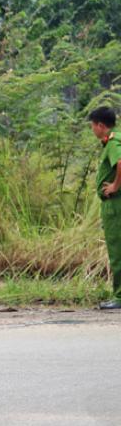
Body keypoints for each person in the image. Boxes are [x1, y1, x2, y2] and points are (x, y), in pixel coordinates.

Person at [90, 106, 121, 310]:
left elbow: (120, 162)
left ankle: (119, 297)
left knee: (117, 250)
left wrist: (115, 186)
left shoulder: (113, 142)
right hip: (114, 204)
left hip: (115, 205)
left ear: (101, 125)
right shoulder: (112, 141)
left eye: (93, 126)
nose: (92, 130)